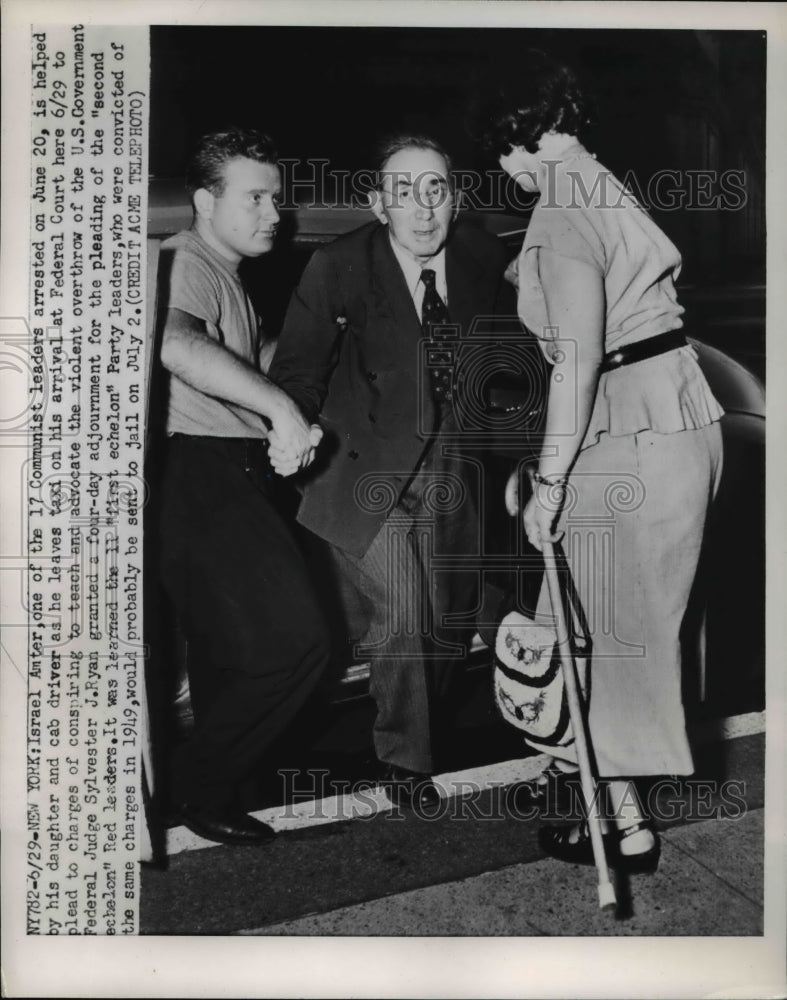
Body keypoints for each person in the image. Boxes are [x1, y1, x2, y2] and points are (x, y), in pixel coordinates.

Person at [476, 52, 724, 870]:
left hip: (625, 428)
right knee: (611, 631)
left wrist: (548, 481)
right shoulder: (601, 185)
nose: (499, 169)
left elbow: (577, 361)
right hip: (678, 415)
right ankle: (620, 817)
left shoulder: (558, 211)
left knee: (593, 635)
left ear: (521, 137)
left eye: (497, 150)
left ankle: (609, 820)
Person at [269, 135, 517, 810]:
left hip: (450, 465)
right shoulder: (337, 266)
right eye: (403, 191)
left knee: (445, 617)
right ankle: (406, 761)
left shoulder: (480, 256)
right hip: (358, 467)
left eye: (435, 188)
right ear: (378, 203)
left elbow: (502, 361)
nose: (422, 207)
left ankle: (423, 719)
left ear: (455, 197)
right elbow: (296, 371)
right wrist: (293, 432)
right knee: (403, 616)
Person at [156, 128, 329, 845]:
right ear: (204, 201)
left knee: (234, 649)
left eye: (278, 200)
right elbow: (173, 341)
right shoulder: (183, 259)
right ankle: (192, 787)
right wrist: (280, 409)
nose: (274, 213)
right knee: (297, 643)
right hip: (198, 471)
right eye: (255, 197)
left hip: (223, 470)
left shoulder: (228, 274)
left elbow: (240, 356)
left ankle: (213, 796)